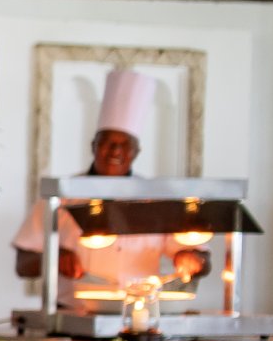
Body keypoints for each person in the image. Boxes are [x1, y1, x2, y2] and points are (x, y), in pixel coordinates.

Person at [13, 68, 207, 285]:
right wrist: (54, 258)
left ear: (136, 152)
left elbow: (203, 259)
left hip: (140, 302)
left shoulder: (154, 198)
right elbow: (23, 263)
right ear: (93, 146)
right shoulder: (62, 195)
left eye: (125, 145)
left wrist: (192, 259)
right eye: (108, 142)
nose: (115, 151)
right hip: (73, 304)